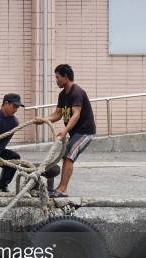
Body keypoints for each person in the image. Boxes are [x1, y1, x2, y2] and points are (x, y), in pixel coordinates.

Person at [34, 64, 96, 197]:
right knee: (65, 156)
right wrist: (44, 120)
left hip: (85, 132)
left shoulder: (77, 92)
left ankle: (62, 189)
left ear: (65, 77)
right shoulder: (63, 94)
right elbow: (58, 114)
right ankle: (59, 188)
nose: (56, 80)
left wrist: (64, 130)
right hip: (75, 132)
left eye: (57, 77)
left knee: (68, 157)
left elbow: (76, 114)